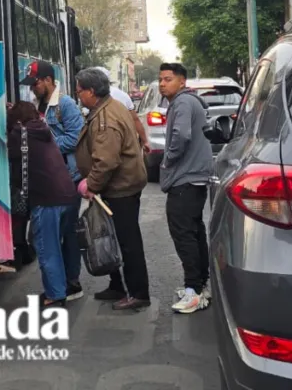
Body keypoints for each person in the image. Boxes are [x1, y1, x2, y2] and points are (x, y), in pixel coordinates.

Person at [73, 68, 150, 311]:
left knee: (127, 242)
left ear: (91, 91)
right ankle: (117, 284)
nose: (78, 96)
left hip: (122, 188)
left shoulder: (106, 118)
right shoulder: (108, 107)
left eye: (79, 92)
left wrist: (91, 184)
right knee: (113, 238)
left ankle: (138, 292)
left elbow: (107, 161)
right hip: (119, 186)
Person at [19, 60, 85, 301]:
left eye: (35, 83)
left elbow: (76, 137)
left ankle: (71, 284)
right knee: (53, 237)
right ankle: (62, 285)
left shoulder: (65, 104)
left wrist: (45, 144)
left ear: (48, 80)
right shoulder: (38, 105)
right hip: (50, 180)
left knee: (66, 234)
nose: (33, 88)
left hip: (69, 179)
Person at [7, 101, 83, 308]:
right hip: (68, 194)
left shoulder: (20, 135)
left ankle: (55, 295)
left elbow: (8, 148)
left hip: (47, 199)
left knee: (46, 247)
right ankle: (67, 284)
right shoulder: (44, 129)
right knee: (64, 243)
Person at [158, 62, 214, 314]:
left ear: (182, 81)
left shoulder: (181, 103)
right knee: (194, 232)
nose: (162, 84)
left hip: (185, 180)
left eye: (168, 79)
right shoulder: (191, 102)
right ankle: (201, 286)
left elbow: (181, 137)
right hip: (196, 178)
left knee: (184, 235)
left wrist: (168, 160)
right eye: (161, 79)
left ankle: (193, 291)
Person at [91, 66, 151, 155]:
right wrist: (145, 141)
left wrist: (145, 140)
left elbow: (135, 120)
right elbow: (135, 120)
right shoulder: (122, 95)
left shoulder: (92, 97)